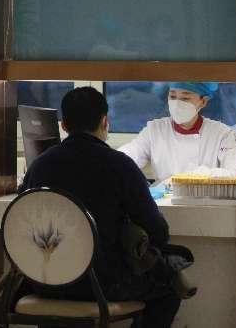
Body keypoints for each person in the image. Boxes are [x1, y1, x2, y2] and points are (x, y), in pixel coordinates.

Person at [18, 87, 191, 328]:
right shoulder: (121, 166)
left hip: (46, 282)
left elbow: (22, 220)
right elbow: (158, 232)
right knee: (170, 285)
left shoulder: (39, 166)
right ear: (105, 122)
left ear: (64, 125)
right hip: (104, 284)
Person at [119, 82, 236, 182]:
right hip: (164, 202)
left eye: (185, 98)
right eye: (172, 96)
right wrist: (110, 159)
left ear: (203, 101)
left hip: (206, 201)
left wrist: (202, 175)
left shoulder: (221, 134)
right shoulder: (155, 130)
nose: (177, 103)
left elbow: (235, 173)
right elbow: (129, 155)